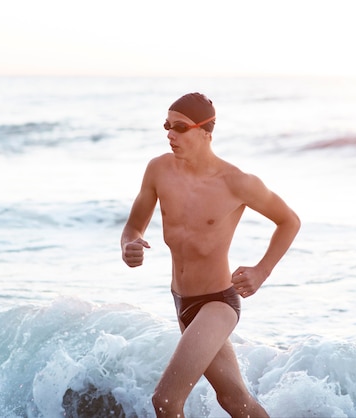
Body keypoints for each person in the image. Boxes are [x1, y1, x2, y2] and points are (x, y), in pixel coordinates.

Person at [121, 92, 300, 417]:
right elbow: (133, 226)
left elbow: (289, 221)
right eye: (167, 126)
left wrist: (262, 270)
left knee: (165, 400)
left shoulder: (236, 182)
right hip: (181, 301)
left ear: (206, 132)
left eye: (180, 127)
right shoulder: (158, 170)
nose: (170, 134)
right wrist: (129, 245)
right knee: (234, 401)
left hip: (217, 303)